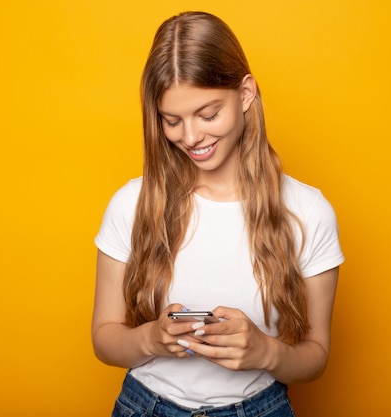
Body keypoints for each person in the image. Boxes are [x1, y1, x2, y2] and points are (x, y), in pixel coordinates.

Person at [92, 11, 344, 417]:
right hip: (145, 406)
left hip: (261, 408)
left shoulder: (308, 212)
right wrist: (151, 340)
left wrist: (266, 351)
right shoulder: (132, 204)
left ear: (245, 94)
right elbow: (104, 338)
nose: (190, 138)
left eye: (208, 114)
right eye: (172, 121)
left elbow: (315, 356)